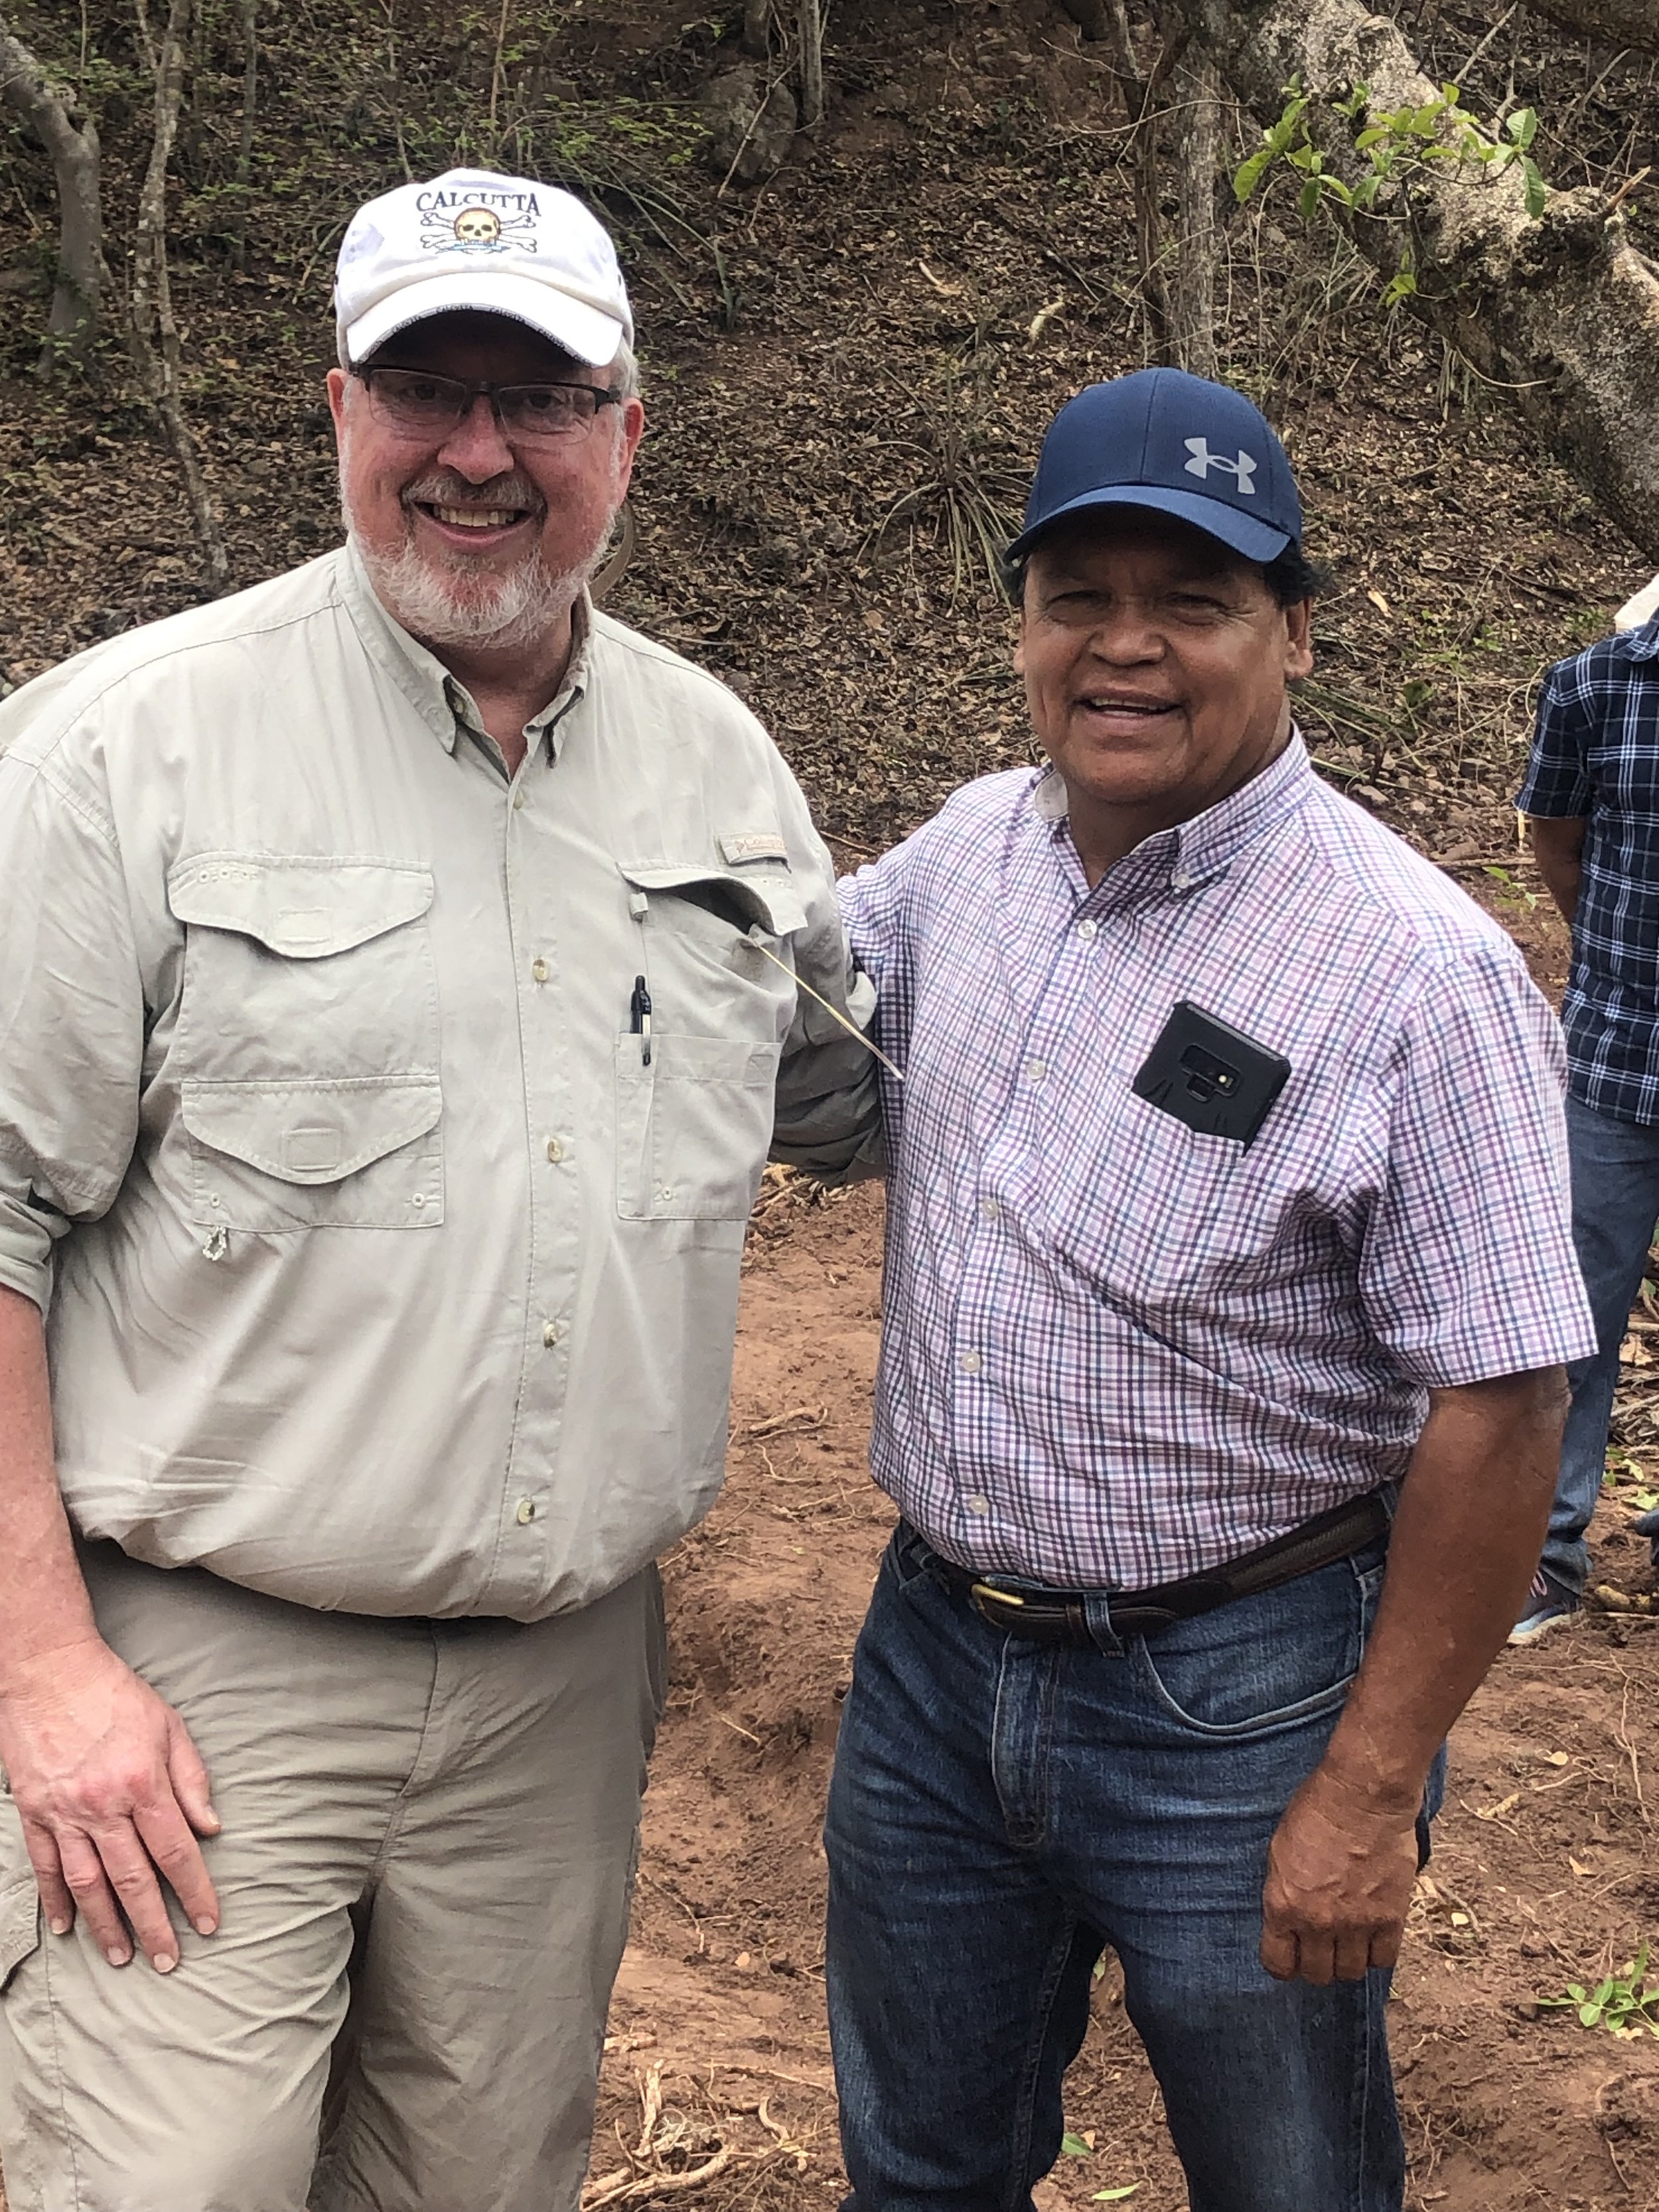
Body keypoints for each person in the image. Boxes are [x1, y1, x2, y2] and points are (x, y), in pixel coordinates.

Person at [0, 167, 874, 2212]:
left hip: (560, 1689)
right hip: (196, 1675)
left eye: (540, 394)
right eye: (427, 386)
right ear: (338, 409)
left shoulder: (716, 769)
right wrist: (42, 1671)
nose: (479, 451)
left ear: (624, 433)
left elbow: (858, 1087)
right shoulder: (119, 752)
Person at [823, 368, 1595, 2212]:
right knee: (920, 2169)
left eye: (1194, 599)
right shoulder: (971, 852)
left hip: (1233, 1701)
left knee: (1289, 2183)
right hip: (932, 1655)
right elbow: (795, 1020)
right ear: (1021, 623)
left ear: (1296, 630)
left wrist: (1369, 1778)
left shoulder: (1412, 970)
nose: (1127, 647)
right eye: (1079, 595)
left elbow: (1501, 1405)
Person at [1511, 612, 1659, 1641]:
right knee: (1572, 1318)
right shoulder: (1593, 685)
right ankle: (1544, 1551)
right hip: (1617, 1057)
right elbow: (1558, 845)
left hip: (1614, 1037)